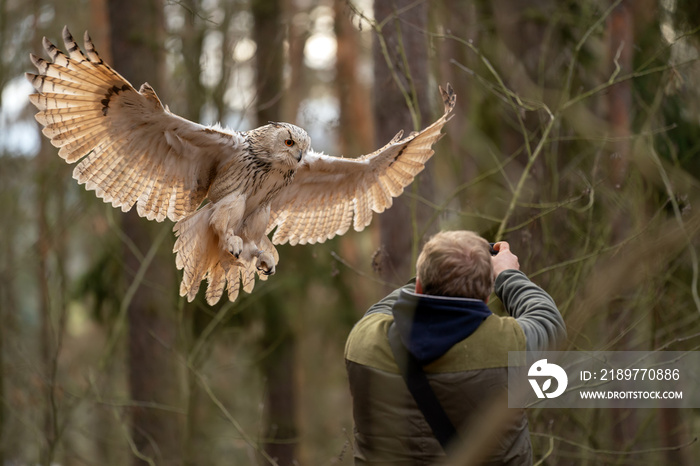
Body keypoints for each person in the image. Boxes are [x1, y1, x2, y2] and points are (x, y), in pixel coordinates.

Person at [344, 230, 566, 465]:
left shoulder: (364, 341)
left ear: (419, 285)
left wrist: (433, 271)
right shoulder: (509, 346)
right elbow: (548, 321)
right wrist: (508, 275)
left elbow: (389, 306)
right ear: (486, 296)